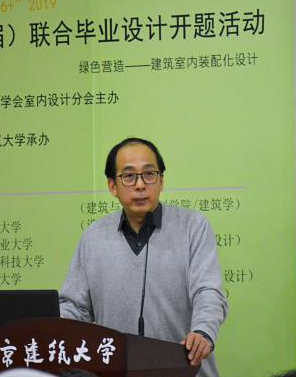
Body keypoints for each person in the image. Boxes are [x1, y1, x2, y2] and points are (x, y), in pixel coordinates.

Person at [60, 137, 228, 377]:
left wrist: (203, 332)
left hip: (185, 370)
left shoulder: (193, 227)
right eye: (129, 176)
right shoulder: (93, 238)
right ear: (112, 186)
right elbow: (74, 307)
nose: (140, 185)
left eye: (149, 174)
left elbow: (208, 291)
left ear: (161, 181)